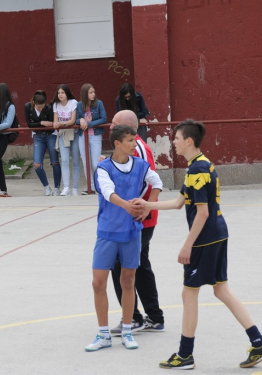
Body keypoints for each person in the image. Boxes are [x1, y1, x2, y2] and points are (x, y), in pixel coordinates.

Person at [134, 119, 262, 370]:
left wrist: (187, 244)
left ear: (189, 140)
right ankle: (258, 342)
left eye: (176, 138)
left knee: (189, 293)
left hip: (205, 239)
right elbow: (179, 203)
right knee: (221, 290)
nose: (173, 142)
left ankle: (185, 355)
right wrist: (148, 205)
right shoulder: (199, 165)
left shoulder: (198, 169)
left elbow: (202, 213)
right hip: (217, 235)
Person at [85, 125, 162, 352]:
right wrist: (128, 205)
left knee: (128, 281)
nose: (133, 144)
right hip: (107, 233)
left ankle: (128, 330)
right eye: (129, 140)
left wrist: (148, 207)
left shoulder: (140, 165)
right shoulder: (103, 167)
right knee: (98, 283)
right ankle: (103, 334)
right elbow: (108, 192)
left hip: (131, 233)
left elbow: (156, 182)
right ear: (117, 143)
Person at [106, 110, 165, 337]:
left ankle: (133, 318)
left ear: (127, 128)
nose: (110, 126)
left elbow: (149, 180)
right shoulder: (132, 147)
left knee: (120, 265)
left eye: (114, 123)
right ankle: (154, 317)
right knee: (140, 265)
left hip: (137, 219)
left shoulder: (136, 147)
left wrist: (144, 207)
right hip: (140, 217)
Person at [25, 90, 61, 196]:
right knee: (37, 164)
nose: (41, 109)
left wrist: (42, 124)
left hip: (50, 135)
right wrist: (41, 123)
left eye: (42, 107)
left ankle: (57, 187)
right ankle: (46, 186)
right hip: (37, 136)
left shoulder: (49, 107)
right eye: (38, 107)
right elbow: (29, 124)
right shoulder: (28, 107)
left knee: (54, 161)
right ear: (34, 103)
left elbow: (51, 125)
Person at [76, 83, 107, 195]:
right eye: (90, 92)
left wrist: (90, 123)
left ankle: (100, 185)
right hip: (82, 136)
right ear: (85, 94)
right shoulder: (79, 105)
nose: (93, 94)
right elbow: (75, 120)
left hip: (95, 135)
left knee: (95, 163)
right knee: (86, 162)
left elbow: (104, 118)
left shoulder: (99, 104)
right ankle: (90, 187)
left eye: (94, 92)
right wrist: (80, 120)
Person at [52, 84, 80, 196]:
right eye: (59, 93)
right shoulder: (56, 104)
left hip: (74, 133)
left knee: (75, 161)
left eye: (62, 92)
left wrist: (62, 124)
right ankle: (66, 187)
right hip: (63, 134)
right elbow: (55, 120)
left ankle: (75, 188)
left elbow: (73, 120)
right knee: (64, 160)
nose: (60, 95)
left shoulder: (73, 102)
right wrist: (56, 124)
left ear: (67, 93)